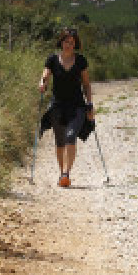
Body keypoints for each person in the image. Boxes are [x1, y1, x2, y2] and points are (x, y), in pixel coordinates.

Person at [38, 27, 95, 187]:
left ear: (75, 44)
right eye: (66, 41)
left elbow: (86, 85)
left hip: (77, 106)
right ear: (61, 42)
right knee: (60, 142)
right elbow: (45, 75)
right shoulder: (52, 60)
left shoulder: (81, 60)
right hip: (57, 106)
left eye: (72, 42)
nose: (68, 45)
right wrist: (42, 83)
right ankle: (61, 171)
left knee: (70, 138)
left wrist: (89, 103)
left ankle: (66, 173)